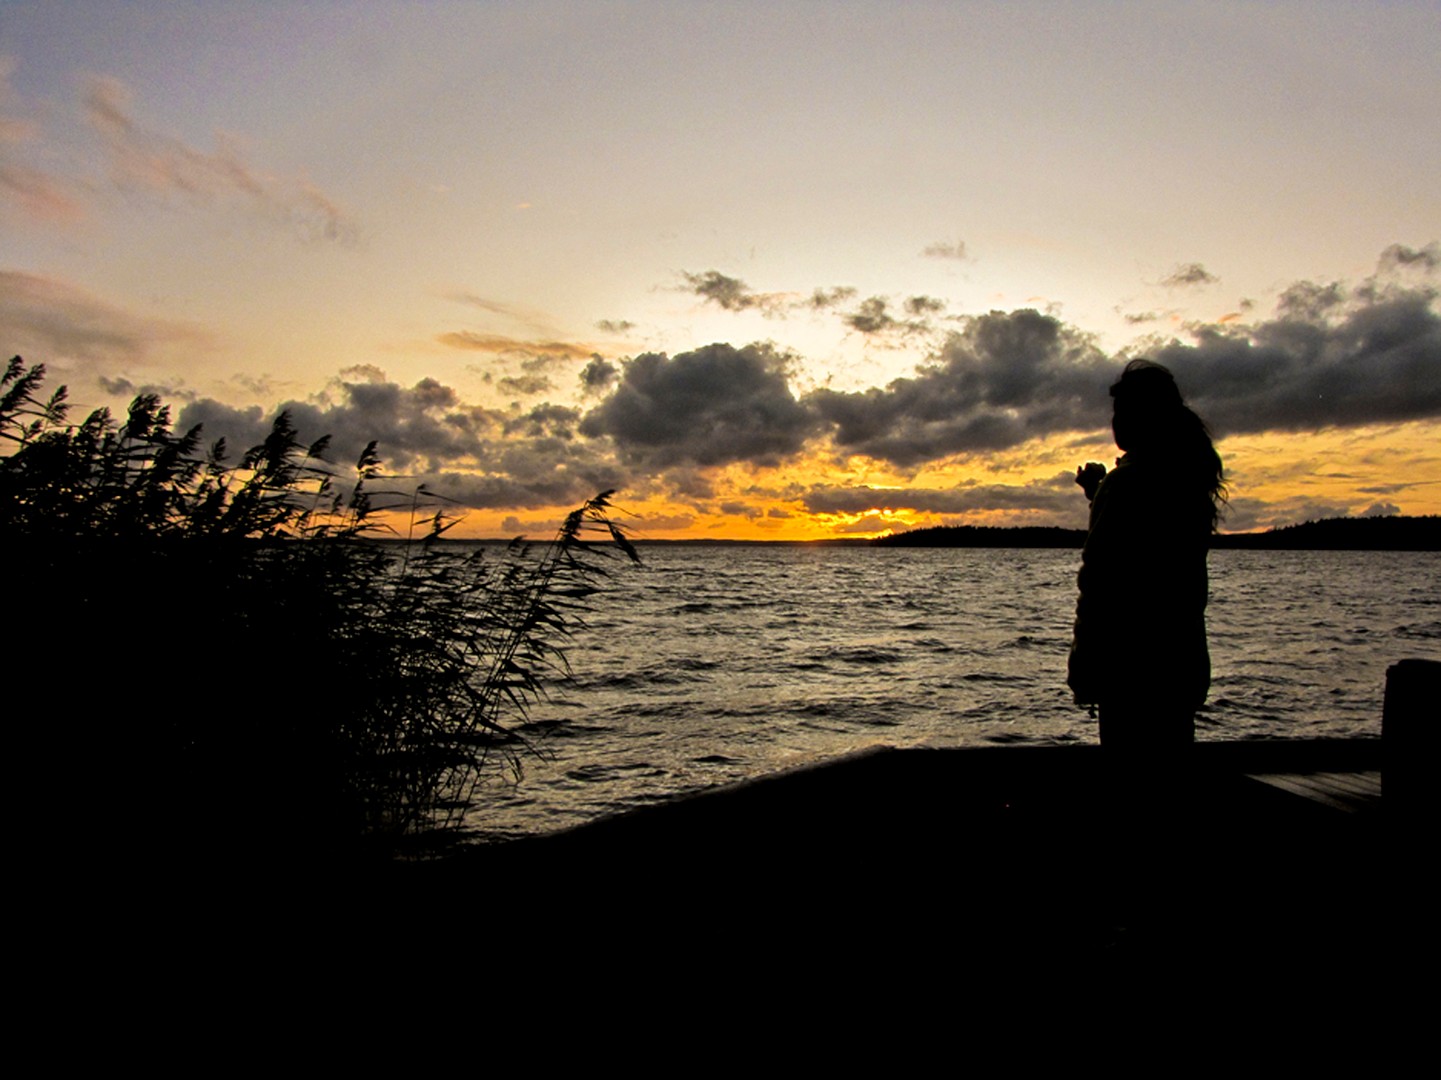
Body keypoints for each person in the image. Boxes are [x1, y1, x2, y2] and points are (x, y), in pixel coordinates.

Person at [1068, 359, 1226, 750]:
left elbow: (1101, 581)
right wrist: (1099, 491)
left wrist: (1084, 669)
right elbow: (1151, 545)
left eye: (1121, 411)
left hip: (1130, 672)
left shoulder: (1128, 484)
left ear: (1141, 416)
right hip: (1178, 668)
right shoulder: (1185, 480)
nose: (1115, 421)